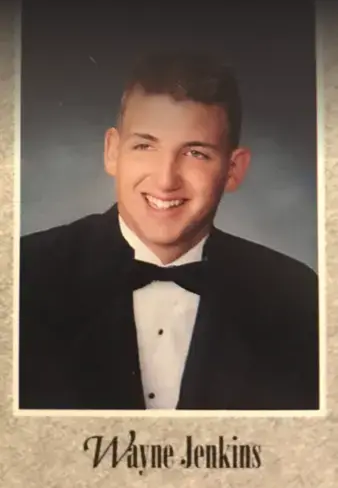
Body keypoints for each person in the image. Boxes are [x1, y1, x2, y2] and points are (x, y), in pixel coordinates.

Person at [19, 51, 319, 410]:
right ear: (113, 152)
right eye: (145, 145)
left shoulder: (296, 295)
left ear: (233, 169)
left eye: (195, 153)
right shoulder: (22, 274)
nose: (165, 180)